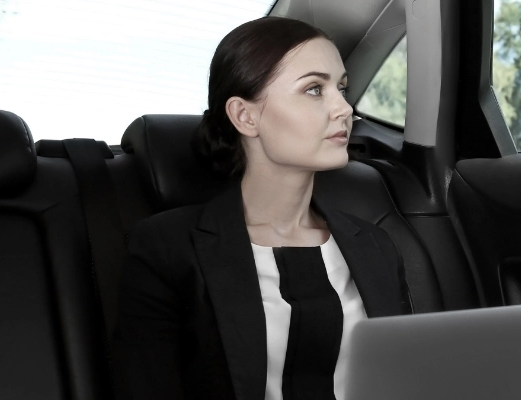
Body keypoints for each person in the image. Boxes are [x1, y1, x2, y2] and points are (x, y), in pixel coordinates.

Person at [114, 16, 413, 400]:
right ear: (245, 116)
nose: (344, 109)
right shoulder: (166, 249)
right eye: (313, 90)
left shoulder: (375, 245)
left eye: (341, 88)